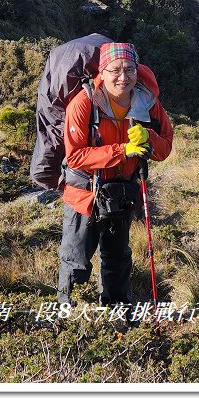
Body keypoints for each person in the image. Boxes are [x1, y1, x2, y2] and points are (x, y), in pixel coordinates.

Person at [57, 42, 173, 310]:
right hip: (85, 196)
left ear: (138, 70)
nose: (124, 76)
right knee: (75, 258)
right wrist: (123, 151)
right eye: (115, 70)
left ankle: (118, 311)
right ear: (102, 71)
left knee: (118, 258)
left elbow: (165, 147)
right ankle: (64, 312)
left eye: (130, 69)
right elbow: (75, 157)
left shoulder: (147, 102)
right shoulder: (84, 103)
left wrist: (149, 138)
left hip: (121, 195)